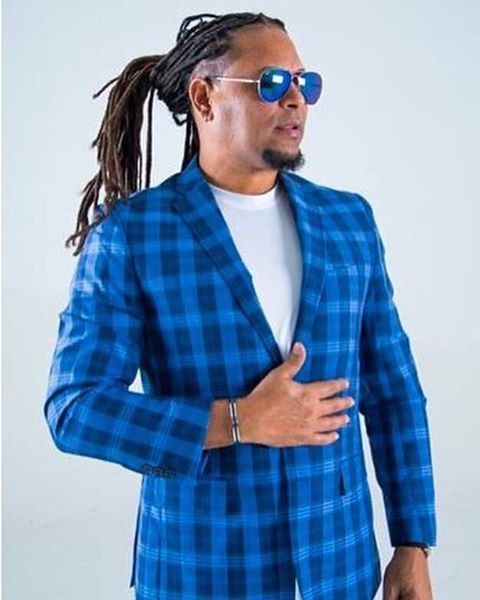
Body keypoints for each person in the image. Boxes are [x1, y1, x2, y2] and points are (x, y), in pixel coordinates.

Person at [43, 11, 436, 600]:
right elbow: (75, 408)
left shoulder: (349, 222)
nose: (295, 100)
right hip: (202, 569)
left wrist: (413, 543)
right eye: (271, 83)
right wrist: (238, 420)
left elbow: (394, 393)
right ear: (204, 97)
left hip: (341, 565)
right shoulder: (134, 235)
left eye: (305, 83)